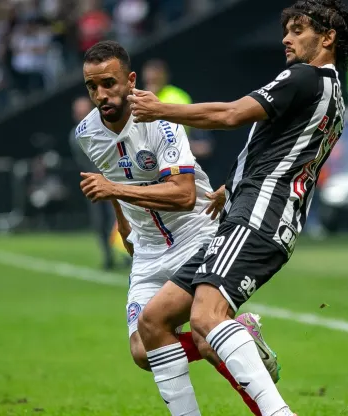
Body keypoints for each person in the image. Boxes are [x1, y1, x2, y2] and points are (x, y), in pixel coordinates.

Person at [129, 1, 348, 414]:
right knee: (152, 328)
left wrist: (159, 108)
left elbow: (232, 114)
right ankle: (238, 337)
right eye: (286, 30)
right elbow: (283, 151)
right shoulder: (335, 95)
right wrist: (230, 187)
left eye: (298, 30)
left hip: (260, 216)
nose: (286, 38)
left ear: (328, 38)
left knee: (206, 318)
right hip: (250, 211)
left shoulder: (305, 76)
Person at [73, 40, 279, 416]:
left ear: (130, 80)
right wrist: (122, 225)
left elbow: (183, 195)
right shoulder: (87, 133)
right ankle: (240, 335)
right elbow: (112, 176)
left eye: (109, 83)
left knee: (206, 333)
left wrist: (114, 191)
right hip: (149, 248)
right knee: (141, 350)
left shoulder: (161, 119)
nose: (100, 94)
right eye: (92, 87)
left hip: (194, 235)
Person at [70, 96, 122, 269]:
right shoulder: (75, 135)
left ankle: (127, 255)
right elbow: (84, 161)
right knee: (99, 222)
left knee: (117, 219)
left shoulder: (105, 127)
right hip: (93, 181)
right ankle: (108, 256)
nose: (80, 113)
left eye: (83, 109)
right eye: (77, 110)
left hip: (113, 180)